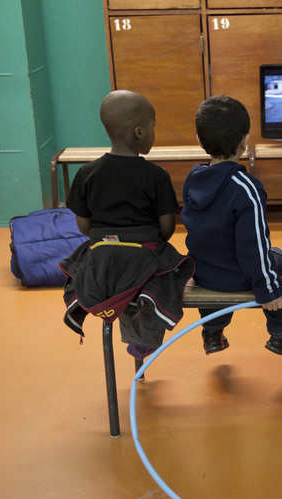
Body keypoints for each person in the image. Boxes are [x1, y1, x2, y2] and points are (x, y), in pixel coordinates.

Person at [60, 90, 194, 361]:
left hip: (102, 258)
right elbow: (166, 228)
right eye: (153, 126)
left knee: (104, 266)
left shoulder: (86, 173)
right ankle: (145, 332)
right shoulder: (156, 176)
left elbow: (83, 224)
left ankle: (115, 308)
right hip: (144, 254)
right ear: (139, 132)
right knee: (171, 270)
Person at [181, 95, 282, 356]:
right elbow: (255, 246)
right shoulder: (246, 187)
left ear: (199, 140)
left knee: (235, 262)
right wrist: (268, 289)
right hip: (238, 275)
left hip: (203, 272)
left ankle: (213, 330)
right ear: (244, 142)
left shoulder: (193, 179)